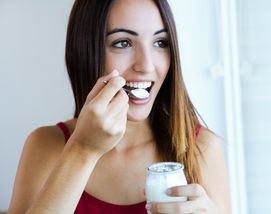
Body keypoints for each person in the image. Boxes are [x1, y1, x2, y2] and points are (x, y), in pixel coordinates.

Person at [8, 0, 231, 213]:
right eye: (123, 43)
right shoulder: (46, 146)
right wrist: (83, 150)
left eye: (160, 42)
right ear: (86, 51)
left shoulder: (202, 148)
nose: (146, 65)